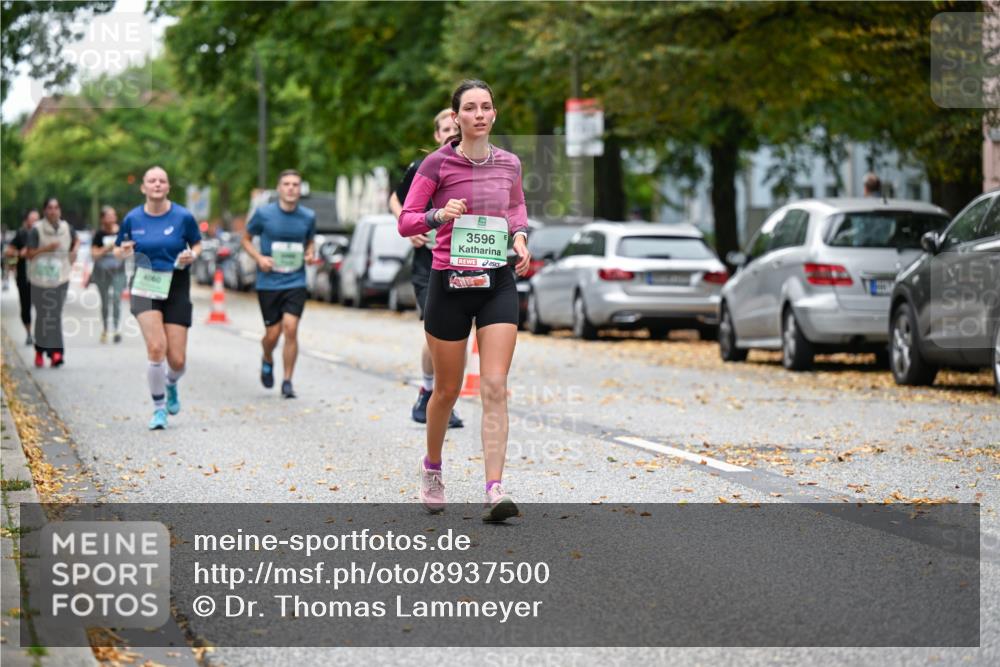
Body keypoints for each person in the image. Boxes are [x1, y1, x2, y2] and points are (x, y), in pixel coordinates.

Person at [398, 79, 532, 523]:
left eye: (486, 107)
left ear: (494, 115)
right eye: (470, 107)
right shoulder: (437, 164)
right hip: (450, 282)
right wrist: (439, 214)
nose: (479, 114)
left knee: (494, 386)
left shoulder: (509, 164)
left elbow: (516, 210)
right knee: (447, 391)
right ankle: (432, 468)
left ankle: (494, 489)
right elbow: (407, 220)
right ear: (455, 118)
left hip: (496, 280)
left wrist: (520, 238)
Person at [389, 108, 464, 429]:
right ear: (436, 135)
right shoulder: (424, 167)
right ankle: (431, 392)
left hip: (463, 262)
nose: (450, 132)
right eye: (444, 129)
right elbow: (397, 198)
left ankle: (438, 395)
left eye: (454, 126)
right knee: (436, 331)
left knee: (458, 335)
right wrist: (409, 223)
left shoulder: (477, 168)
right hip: (428, 263)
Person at [115, 166, 202, 430]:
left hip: (176, 284)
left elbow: (197, 243)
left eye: (161, 181)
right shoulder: (132, 219)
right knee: (156, 348)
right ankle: (159, 408)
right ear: (143, 187)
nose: (156, 184)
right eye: (151, 180)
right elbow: (119, 249)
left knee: (177, 361)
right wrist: (124, 251)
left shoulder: (183, 216)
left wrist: (193, 255)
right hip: (145, 284)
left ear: (167, 187)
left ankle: (171, 382)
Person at [242, 169, 316, 399]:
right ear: (279, 188)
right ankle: (267, 357)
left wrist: (310, 253)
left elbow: (310, 241)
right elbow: (245, 239)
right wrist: (259, 259)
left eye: (295, 184)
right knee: (272, 335)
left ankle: (287, 381)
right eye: (287, 184)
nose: (291, 188)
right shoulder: (263, 214)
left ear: (300, 189)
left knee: (291, 328)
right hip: (269, 282)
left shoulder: (308, 216)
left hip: (296, 281)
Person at [24, 198, 78, 368]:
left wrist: (74, 251)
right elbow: (29, 253)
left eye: (56, 208)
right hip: (40, 279)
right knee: (42, 316)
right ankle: (39, 351)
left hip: (61, 277)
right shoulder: (36, 230)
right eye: (50, 208)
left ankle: (56, 353)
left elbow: (76, 240)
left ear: (60, 210)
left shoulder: (66, 227)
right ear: (44, 211)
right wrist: (46, 249)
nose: (53, 211)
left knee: (54, 315)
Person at [90, 206, 126, 343]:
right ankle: (105, 329)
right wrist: (108, 248)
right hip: (102, 272)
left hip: (118, 271)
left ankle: (116, 329)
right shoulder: (99, 235)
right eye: (108, 216)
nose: (111, 218)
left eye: (113, 215)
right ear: (102, 218)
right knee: (105, 301)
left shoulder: (122, 232)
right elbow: (94, 254)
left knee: (116, 298)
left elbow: (128, 250)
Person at [4, 209, 39, 345]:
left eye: (38, 219)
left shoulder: (43, 234)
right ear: (26, 220)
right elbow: (8, 252)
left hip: (41, 277)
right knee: (26, 306)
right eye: (33, 219)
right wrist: (20, 253)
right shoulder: (21, 234)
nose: (36, 222)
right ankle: (29, 333)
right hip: (24, 276)